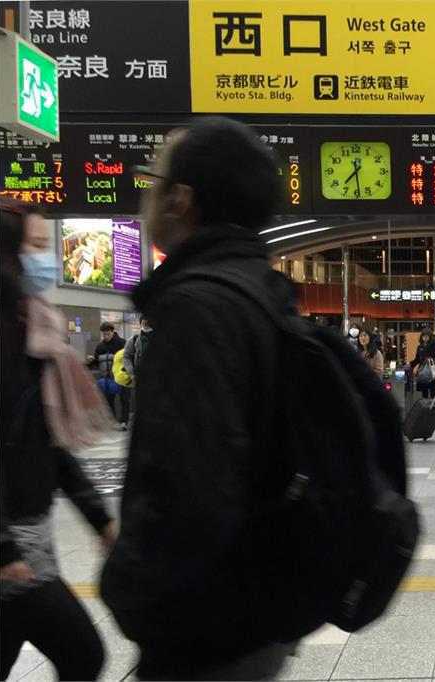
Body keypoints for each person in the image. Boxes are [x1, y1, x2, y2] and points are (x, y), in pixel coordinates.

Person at [100, 117, 303, 679]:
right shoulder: (261, 291)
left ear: (181, 200)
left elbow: (190, 488)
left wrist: (128, 586)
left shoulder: (196, 309)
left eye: (153, 178)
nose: (146, 192)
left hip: (206, 630)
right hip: (256, 606)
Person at [0, 199, 116, 681]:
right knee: (83, 655)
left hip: (30, 545)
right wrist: (2, 551)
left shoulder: (33, 339)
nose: (46, 261)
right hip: (12, 553)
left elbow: (50, 447)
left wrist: (99, 520)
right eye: (37, 247)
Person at [88, 322, 129, 431]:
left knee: (124, 399)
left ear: (112, 332)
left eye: (107, 334)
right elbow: (97, 362)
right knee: (109, 400)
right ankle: (114, 421)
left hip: (122, 377)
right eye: (103, 334)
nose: (105, 337)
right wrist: (92, 361)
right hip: (108, 378)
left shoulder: (123, 343)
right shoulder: (100, 346)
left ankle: (124, 421)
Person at [411, 329, 435, 399]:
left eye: (427, 336)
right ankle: (425, 407)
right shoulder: (420, 347)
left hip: (431, 372)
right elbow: (417, 359)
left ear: (430, 337)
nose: (425, 338)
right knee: (424, 392)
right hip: (422, 371)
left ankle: (434, 406)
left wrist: (432, 360)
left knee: (433, 391)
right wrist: (410, 364)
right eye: (423, 336)